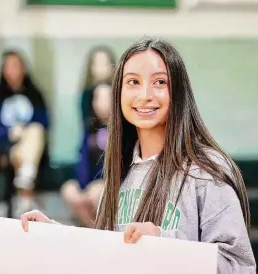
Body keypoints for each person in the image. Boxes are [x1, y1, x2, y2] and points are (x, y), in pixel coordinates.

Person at [20, 37, 256, 273]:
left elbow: (239, 267)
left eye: (160, 82)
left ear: (179, 93)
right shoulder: (120, 171)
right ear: (118, 94)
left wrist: (164, 245)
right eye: (133, 82)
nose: (145, 95)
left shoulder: (206, 171)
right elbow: (105, 254)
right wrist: (54, 234)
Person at [0, 50, 49, 216]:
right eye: (9, 66)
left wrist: (24, 131)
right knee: (25, 160)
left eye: (16, 66)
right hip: (7, 147)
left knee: (35, 131)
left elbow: (45, 121)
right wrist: (9, 131)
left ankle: (24, 192)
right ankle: (26, 197)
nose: (13, 70)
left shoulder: (35, 94)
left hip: (30, 145)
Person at [60, 83, 111, 227]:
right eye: (98, 98)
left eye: (107, 98)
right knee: (68, 190)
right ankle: (94, 229)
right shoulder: (89, 129)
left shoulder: (122, 130)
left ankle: (103, 229)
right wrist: (82, 187)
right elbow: (82, 161)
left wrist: (103, 182)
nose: (103, 102)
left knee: (96, 193)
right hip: (89, 183)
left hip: (109, 183)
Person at [80, 46, 115, 128]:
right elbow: (85, 120)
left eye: (105, 64)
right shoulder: (87, 93)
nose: (102, 68)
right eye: (98, 64)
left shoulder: (118, 91)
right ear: (91, 68)